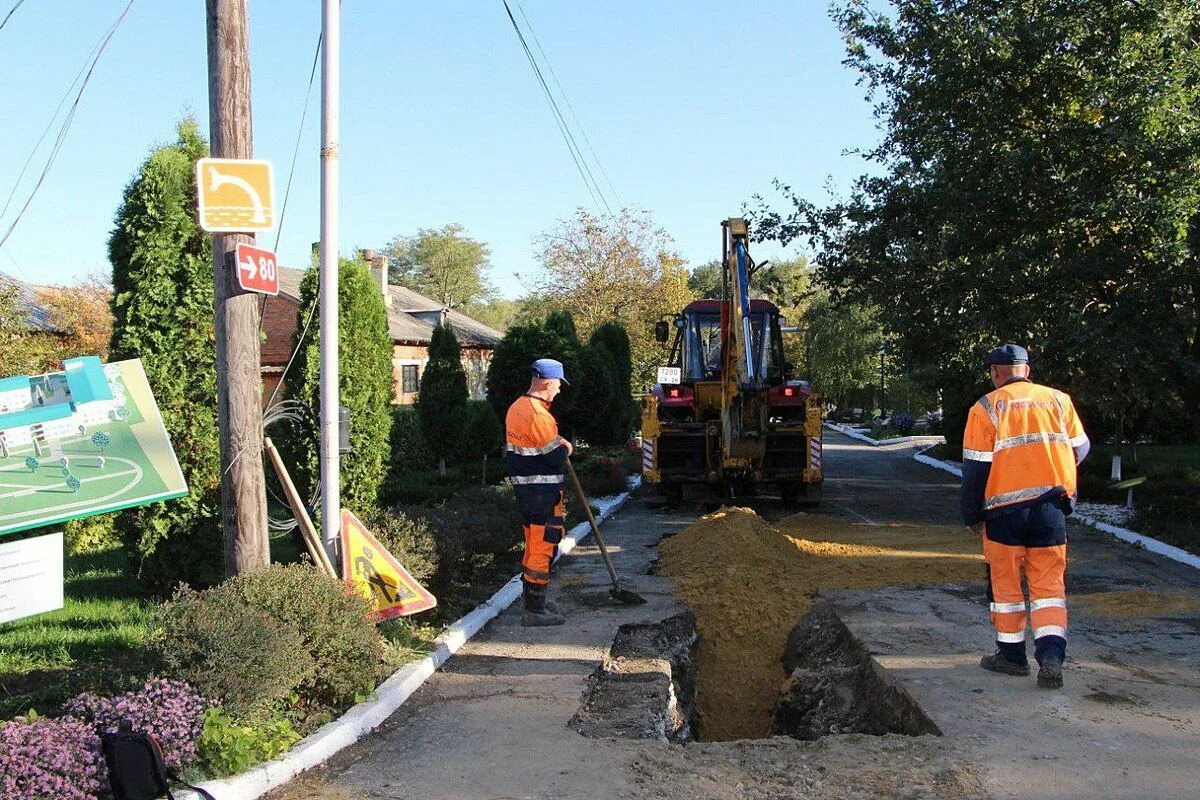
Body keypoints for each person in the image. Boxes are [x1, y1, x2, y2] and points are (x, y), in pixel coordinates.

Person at [960, 344, 1090, 689]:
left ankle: (1012, 658)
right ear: (1026, 370)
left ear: (995, 373)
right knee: (1048, 587)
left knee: (1005, 586)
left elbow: (975, 467)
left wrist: (971, 512)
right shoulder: (1059, 400)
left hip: (1003, 514)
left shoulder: (986, 407)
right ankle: (1051, 655)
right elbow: (1082, 448)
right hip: (1051, 508)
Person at [505, 358, 574, 627]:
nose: (559, 390)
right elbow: (554, 457)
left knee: (534, 542)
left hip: (529, 491)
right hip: (541, 493)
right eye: (558, 384)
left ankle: (536, 602)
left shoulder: (518, 408)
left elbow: (540, 442)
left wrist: (557, 442)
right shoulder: (537, 414)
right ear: (546, 382)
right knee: (543, 544)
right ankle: (534, 610)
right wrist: (566, 447)